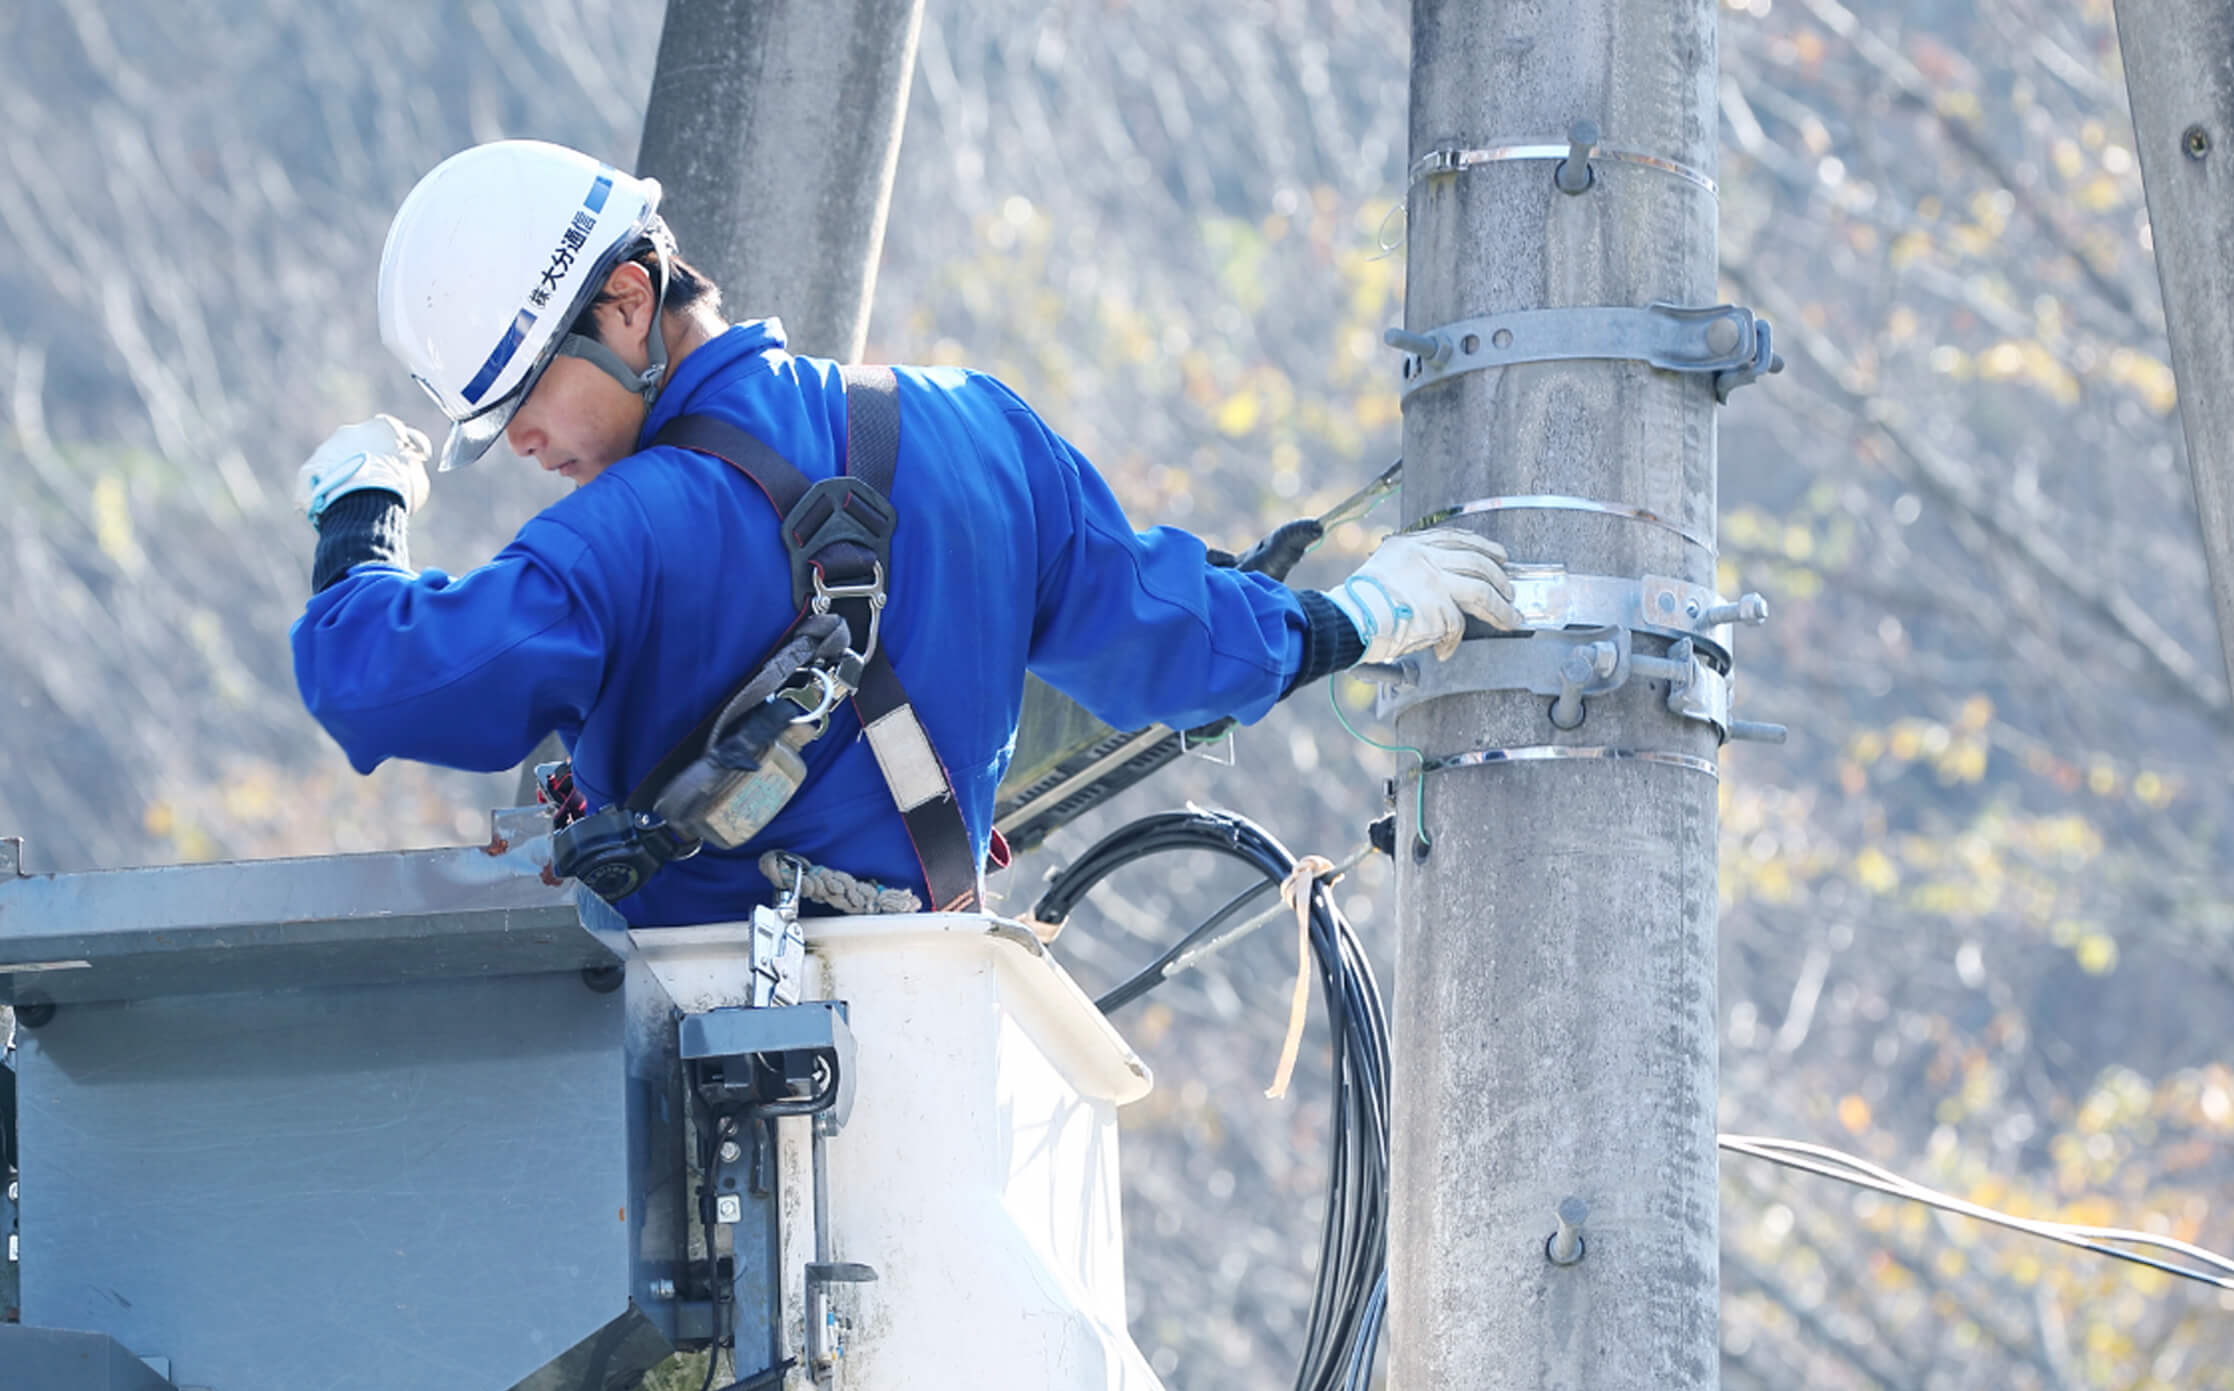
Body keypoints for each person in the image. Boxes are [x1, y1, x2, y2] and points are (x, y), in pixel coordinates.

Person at [292, 139, 1516, 928]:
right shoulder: (975, 429)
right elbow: (1161, 631)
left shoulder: (628, 535)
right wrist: (1358, 616)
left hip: (685, 1078)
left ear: (625, 301)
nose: (518, 444)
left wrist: (361, 517)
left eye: (522, 399)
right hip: (937, 1026)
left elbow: (376, 675)